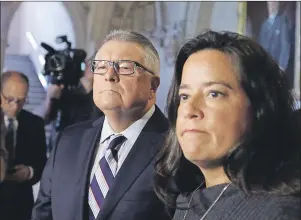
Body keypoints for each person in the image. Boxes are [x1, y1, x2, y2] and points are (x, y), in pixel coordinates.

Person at [154, 30, 300, 220]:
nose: (190, 110)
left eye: (214, 94)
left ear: (259, 108)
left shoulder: (278, 213)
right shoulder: (189, 199)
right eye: (184, 96)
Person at [32, 30, 172, 220]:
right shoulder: (69, 140)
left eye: (124, 67)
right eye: (101, 66)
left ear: (152, 87)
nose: (109, 75)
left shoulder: (175, 149)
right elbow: (43, 214)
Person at [0, 71, 47, 220]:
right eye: (9, 99)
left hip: (19, 206)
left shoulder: (35, 123)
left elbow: (42, 165)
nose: (15, 106)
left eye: (21, 101)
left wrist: (29, 172)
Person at [34, 59, 103, 154]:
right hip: (58, 149)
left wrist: (91, 90)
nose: (87, 68)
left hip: (83, 150)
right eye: (88, 65)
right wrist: (49, 98)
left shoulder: (102, 98)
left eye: (93, 65)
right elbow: (43, 119)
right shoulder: (69, 92)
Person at [258, 1, 290, 72]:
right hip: (265, 65)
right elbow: (260, 46)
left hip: (277, 66)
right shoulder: (264, 25)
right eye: (270, 3)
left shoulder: (282, 22)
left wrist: (282, 65)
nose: (272, 5)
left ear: (278, 5)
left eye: (274, 3)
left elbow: (285, 45)